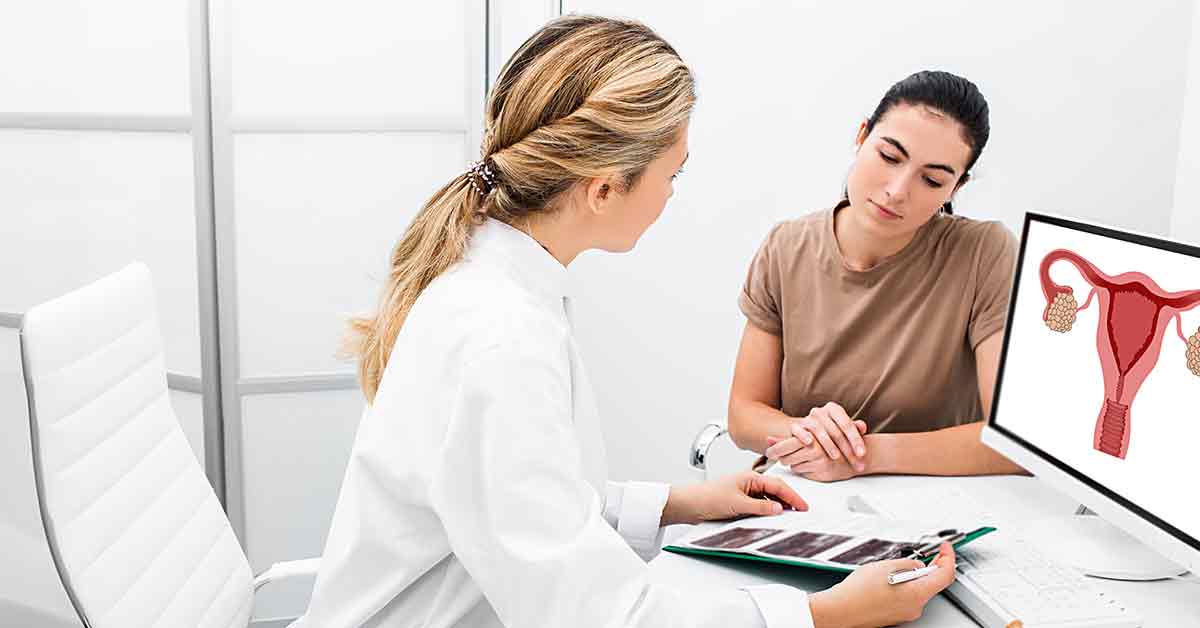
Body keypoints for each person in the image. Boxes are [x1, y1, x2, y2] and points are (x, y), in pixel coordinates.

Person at [294, 16, 954, 628]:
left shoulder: (492, 282)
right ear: (605, 188)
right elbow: (602, 617)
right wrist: (823, 615)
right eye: (674, 174)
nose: (672, 193)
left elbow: (520, 503)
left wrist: (678, 505)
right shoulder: (501, 337)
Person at [728, 71, 1026, 483]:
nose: (897, 190)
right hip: (803, 496)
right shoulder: (787, 247)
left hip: (930, 510)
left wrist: (863, 454)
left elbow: (1011, 441)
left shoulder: (984, 253)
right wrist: (811, 435)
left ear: (957, 186)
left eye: (933, 179)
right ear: (862, 136)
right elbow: (744, 416)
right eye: (889, 157)